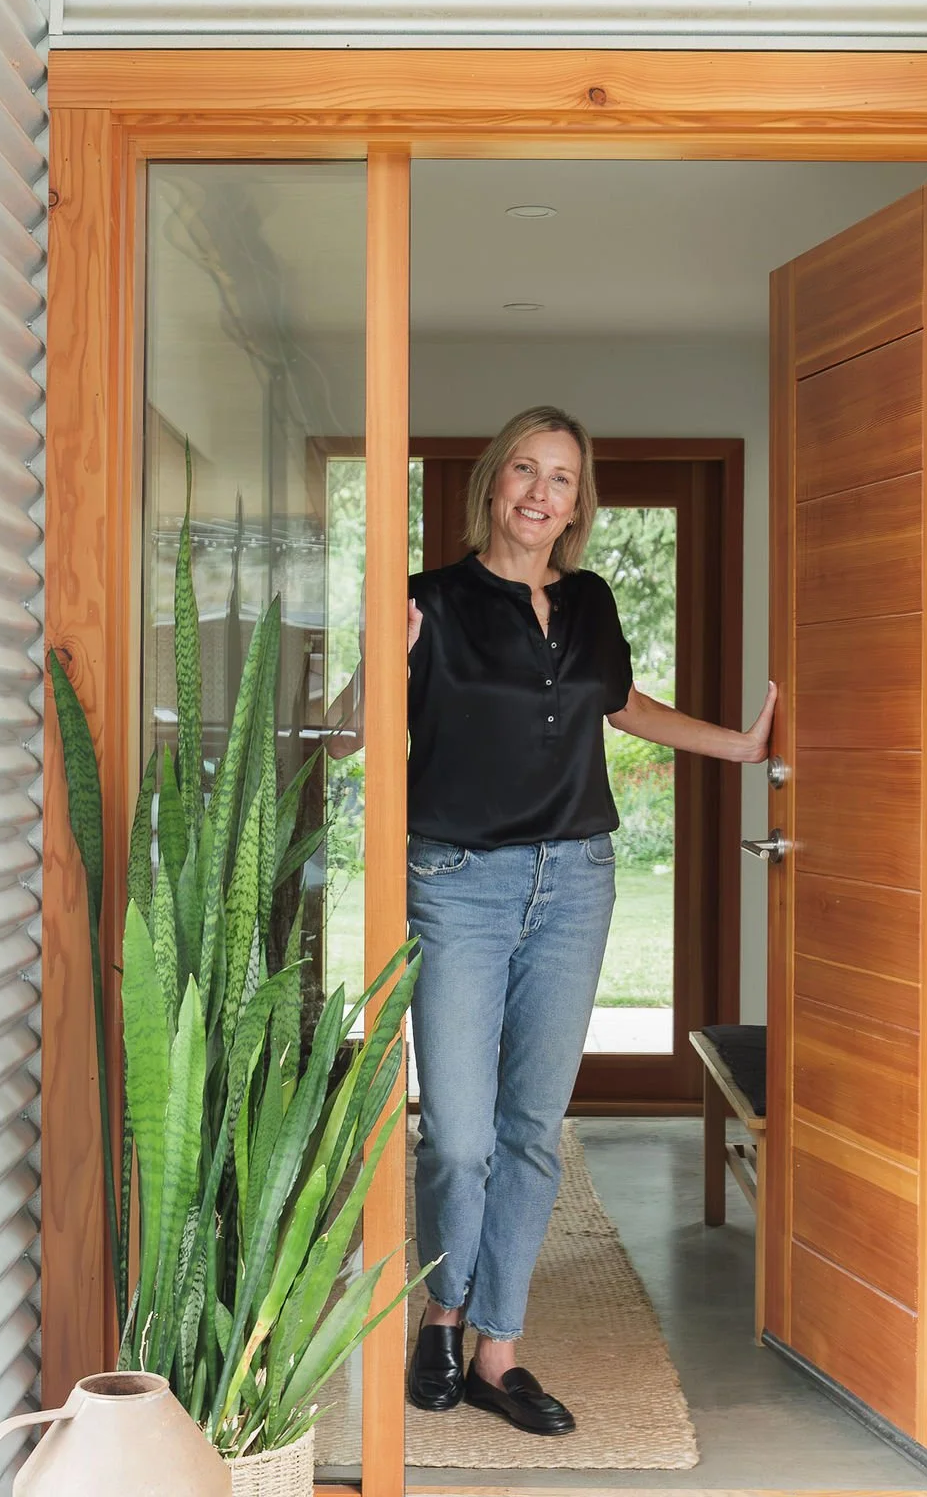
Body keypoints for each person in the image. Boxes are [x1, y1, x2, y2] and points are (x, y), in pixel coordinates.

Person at [330, 405, 776, 1436]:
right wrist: (377, 659)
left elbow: (619, 704)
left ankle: (494, 1350)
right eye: (526, 470)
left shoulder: (588, 600)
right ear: (493, 483)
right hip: (456, 882)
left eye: (562, 478)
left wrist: (736, 750)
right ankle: (440, 1311)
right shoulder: (425, 600)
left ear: (579, 501)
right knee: (458, 1136)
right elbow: (349, 743)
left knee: (533, 1127)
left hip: (575, 881)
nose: (541, 491)